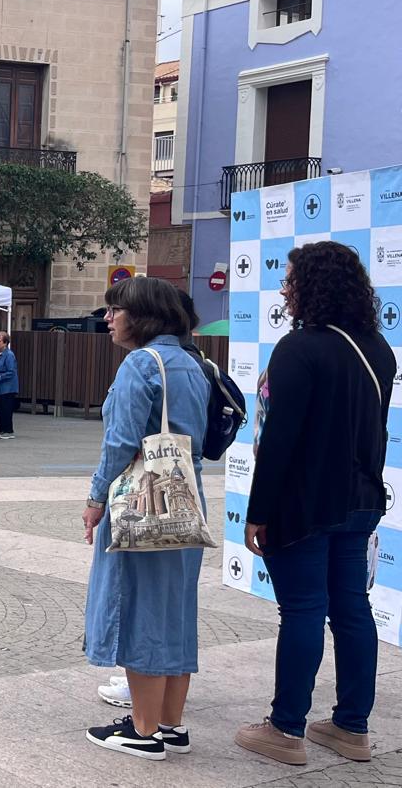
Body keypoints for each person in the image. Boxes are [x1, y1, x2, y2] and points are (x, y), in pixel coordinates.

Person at [235, 242, 394, 766]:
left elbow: (279, 439)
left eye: (292, 279)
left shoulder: (297, 348)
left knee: (303, 609)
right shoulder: (379, 348)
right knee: (351, 609)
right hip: (360, 500)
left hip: (305, 504)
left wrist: (257, 511)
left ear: (313, 286)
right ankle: (352, 727)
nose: (285, 289)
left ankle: (285, 729)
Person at [82, 276, 208, 761]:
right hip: (186, 495)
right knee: (175, 608)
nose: (109, 318)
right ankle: (171, 724)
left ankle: (143, 728)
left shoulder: (140, 363)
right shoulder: (192, 364)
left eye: (116, 310)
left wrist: (96, 498)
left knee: (139, 607)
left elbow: (120, 442)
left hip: (144, 497)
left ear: (142, 316)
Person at [0, 331, 18, 439]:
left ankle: (9, 430)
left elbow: (11, 372)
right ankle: (1, 428)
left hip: (8, 386)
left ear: (5, 343)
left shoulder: (9, 355)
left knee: (6, 408)